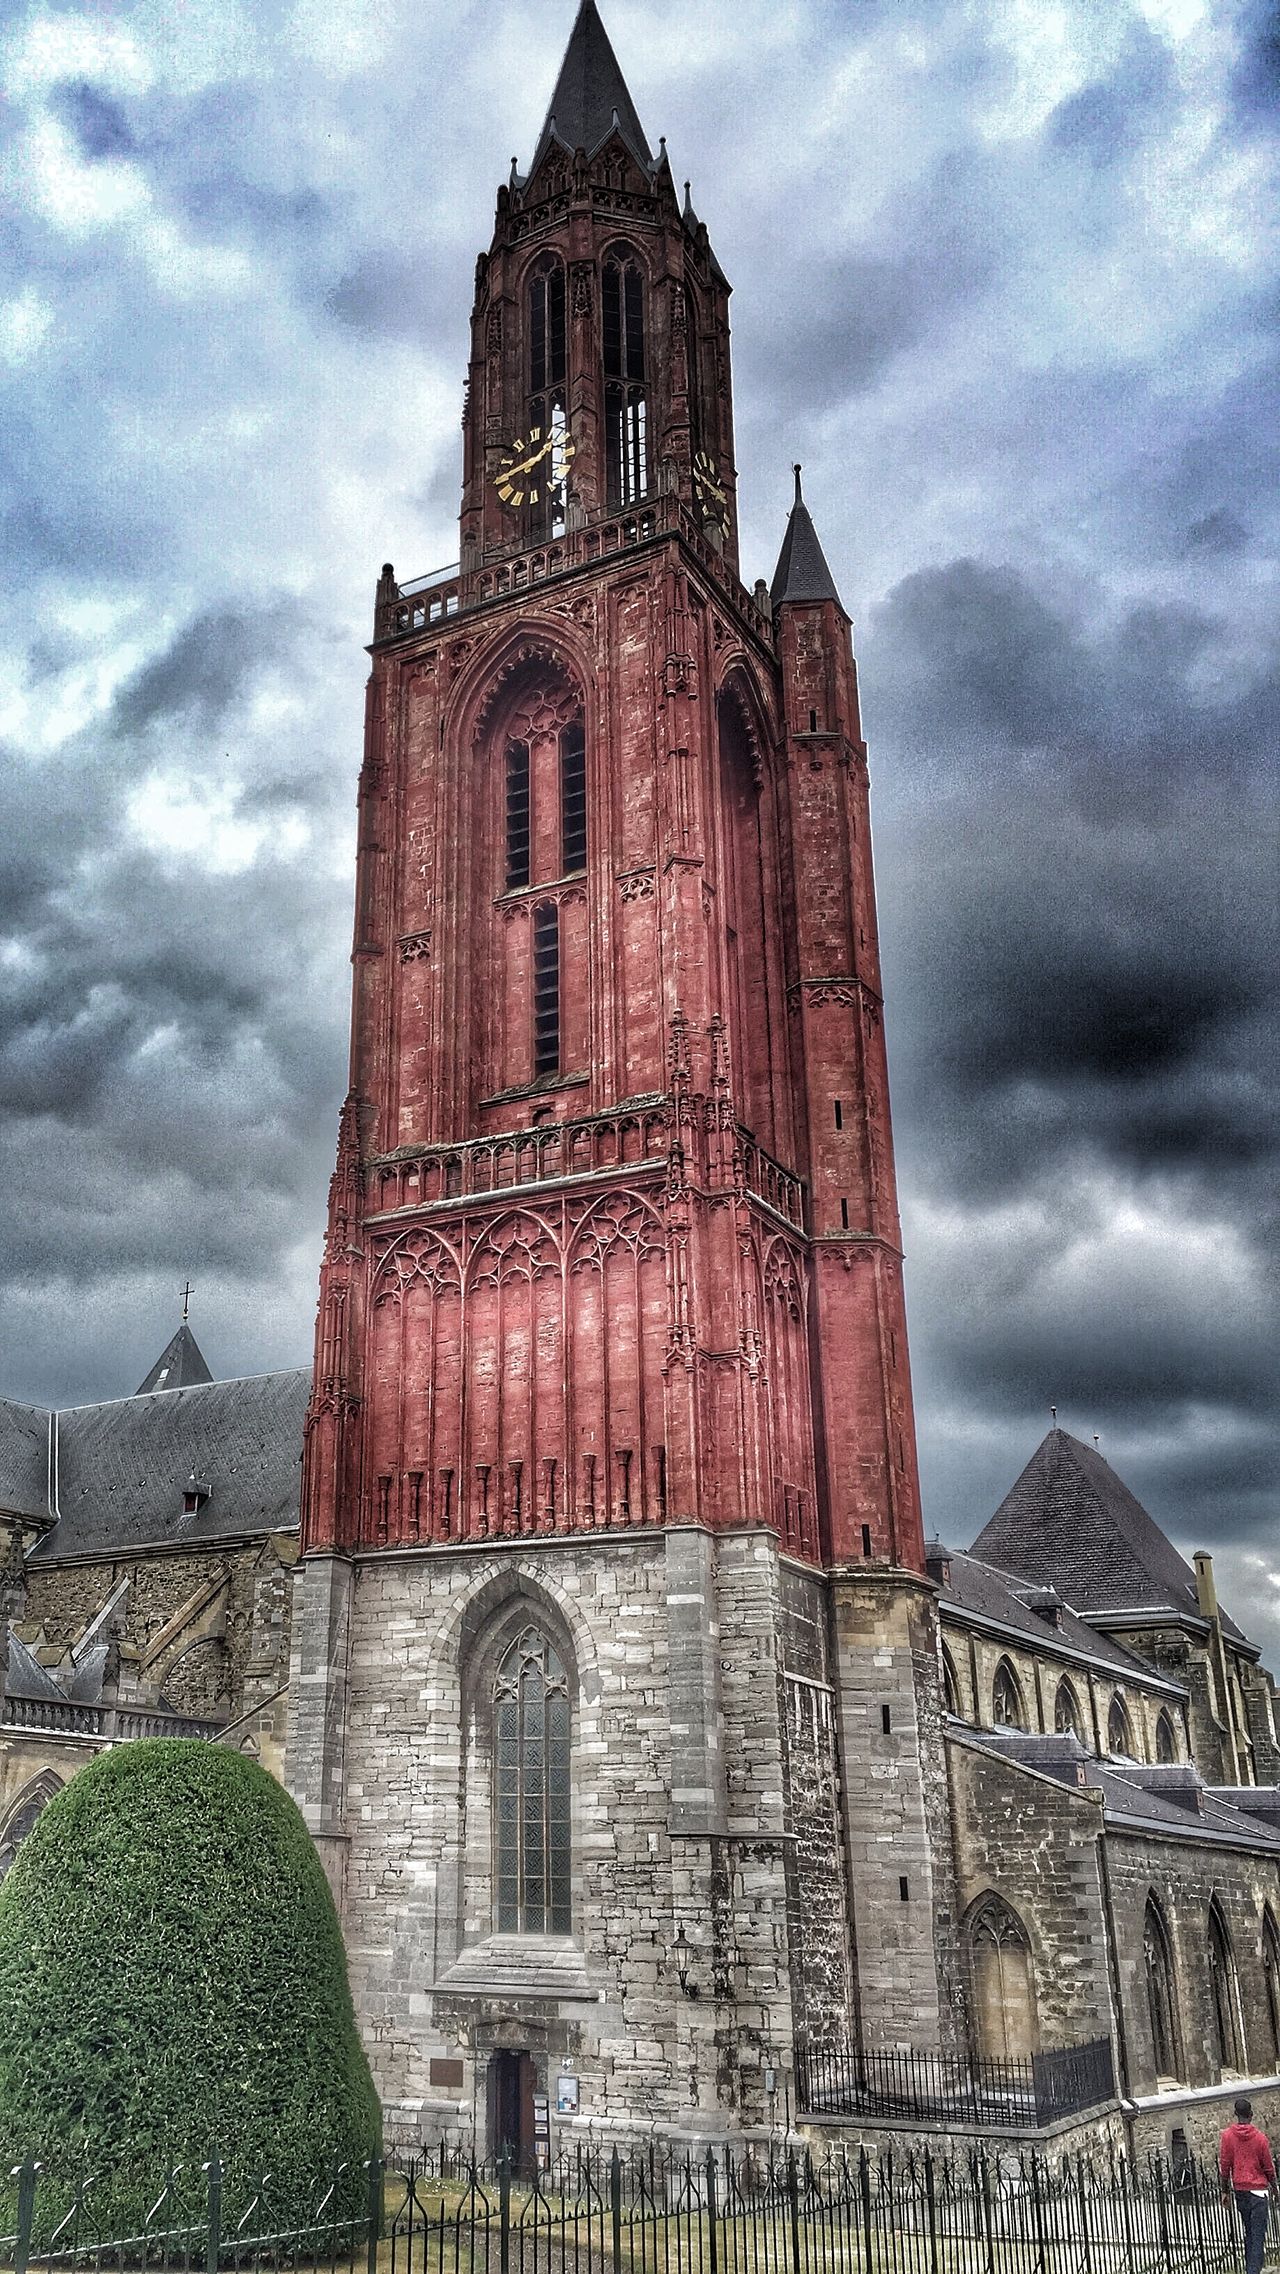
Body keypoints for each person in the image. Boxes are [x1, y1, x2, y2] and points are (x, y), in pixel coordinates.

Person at [1220, 2096, 1276, 2274]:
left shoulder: (1227, 2137)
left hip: (1240, 2189)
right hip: (1258, 2191)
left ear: (1236, 2115)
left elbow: (1225, 2165)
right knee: (1258, 2235)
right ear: (1251, 2115)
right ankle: (1253, 2270)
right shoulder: (1260, 2139)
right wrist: (1275, 2188)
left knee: (1249, 2233)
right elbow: (1268, 2167)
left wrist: (1224, 2191)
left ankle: (1249, 2268)